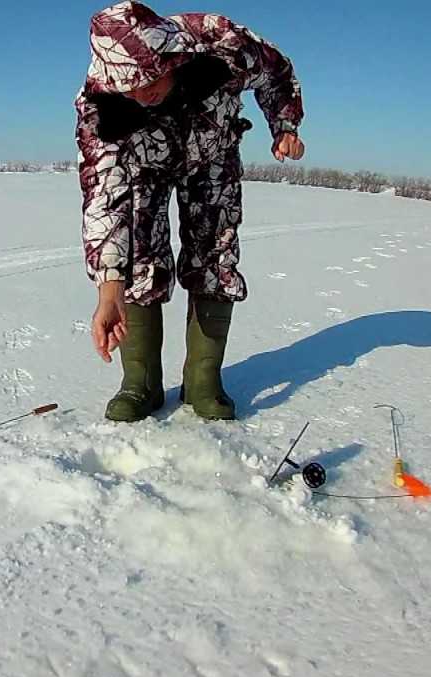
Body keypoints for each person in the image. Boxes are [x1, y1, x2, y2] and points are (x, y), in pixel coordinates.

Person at [74, 0, 305, 422]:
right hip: (145, 164)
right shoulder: (100, 109)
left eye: (151, 79)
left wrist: (285, 125)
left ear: (170, 56)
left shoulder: (220, 41)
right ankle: (140, 383)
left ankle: (203, 380)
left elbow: (277, 71)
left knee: (215, 252)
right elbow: (105, 198)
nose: (145, 94)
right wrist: (109, 290)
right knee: (138, 254)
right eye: (133, 89)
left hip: (212, 148)